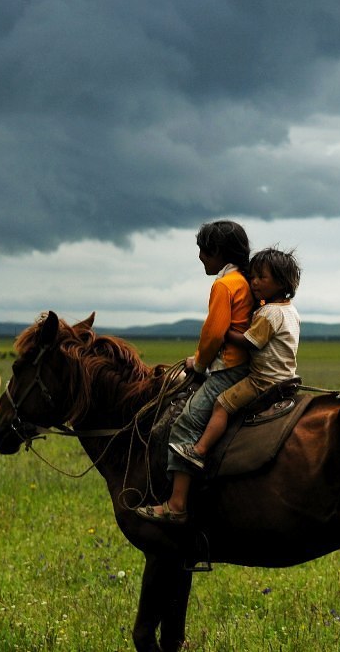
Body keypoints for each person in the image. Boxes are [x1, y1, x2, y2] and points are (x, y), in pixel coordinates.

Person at [135, 220, 254, 525]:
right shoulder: (245, 281)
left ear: (217, 252)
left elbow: (214, 333)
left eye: (203, 250)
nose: (200, 256)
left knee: (185, 425)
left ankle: (176, 505)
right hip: (245, 366)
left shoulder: (224, 285)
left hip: (228, 369)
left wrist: (199, 364)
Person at [171, 247, 301, 469]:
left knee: (222, 405)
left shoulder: (269, 313)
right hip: (285, 375)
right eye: (253, 277)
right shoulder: (290, 310)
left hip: (262, 380)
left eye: (262, 277)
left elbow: (250, 342)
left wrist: (225, 331)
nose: (254, 283)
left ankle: (198, 450)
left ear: (280, 282)